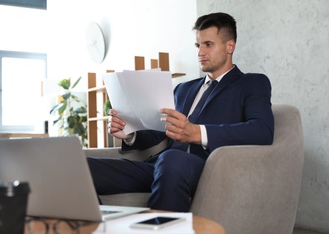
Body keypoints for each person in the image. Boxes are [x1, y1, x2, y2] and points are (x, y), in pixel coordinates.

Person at [87, 12, 274, 212]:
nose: (200, 52)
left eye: (208, 44)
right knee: (81, 168)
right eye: (198, 45)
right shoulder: (184, 88)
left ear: (230, 46)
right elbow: (162, 131)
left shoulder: (251, 83)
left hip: (206, 168)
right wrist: (130, 134)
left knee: (172, 160)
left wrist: (197, 133)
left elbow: (262, 130)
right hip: (160, 166)